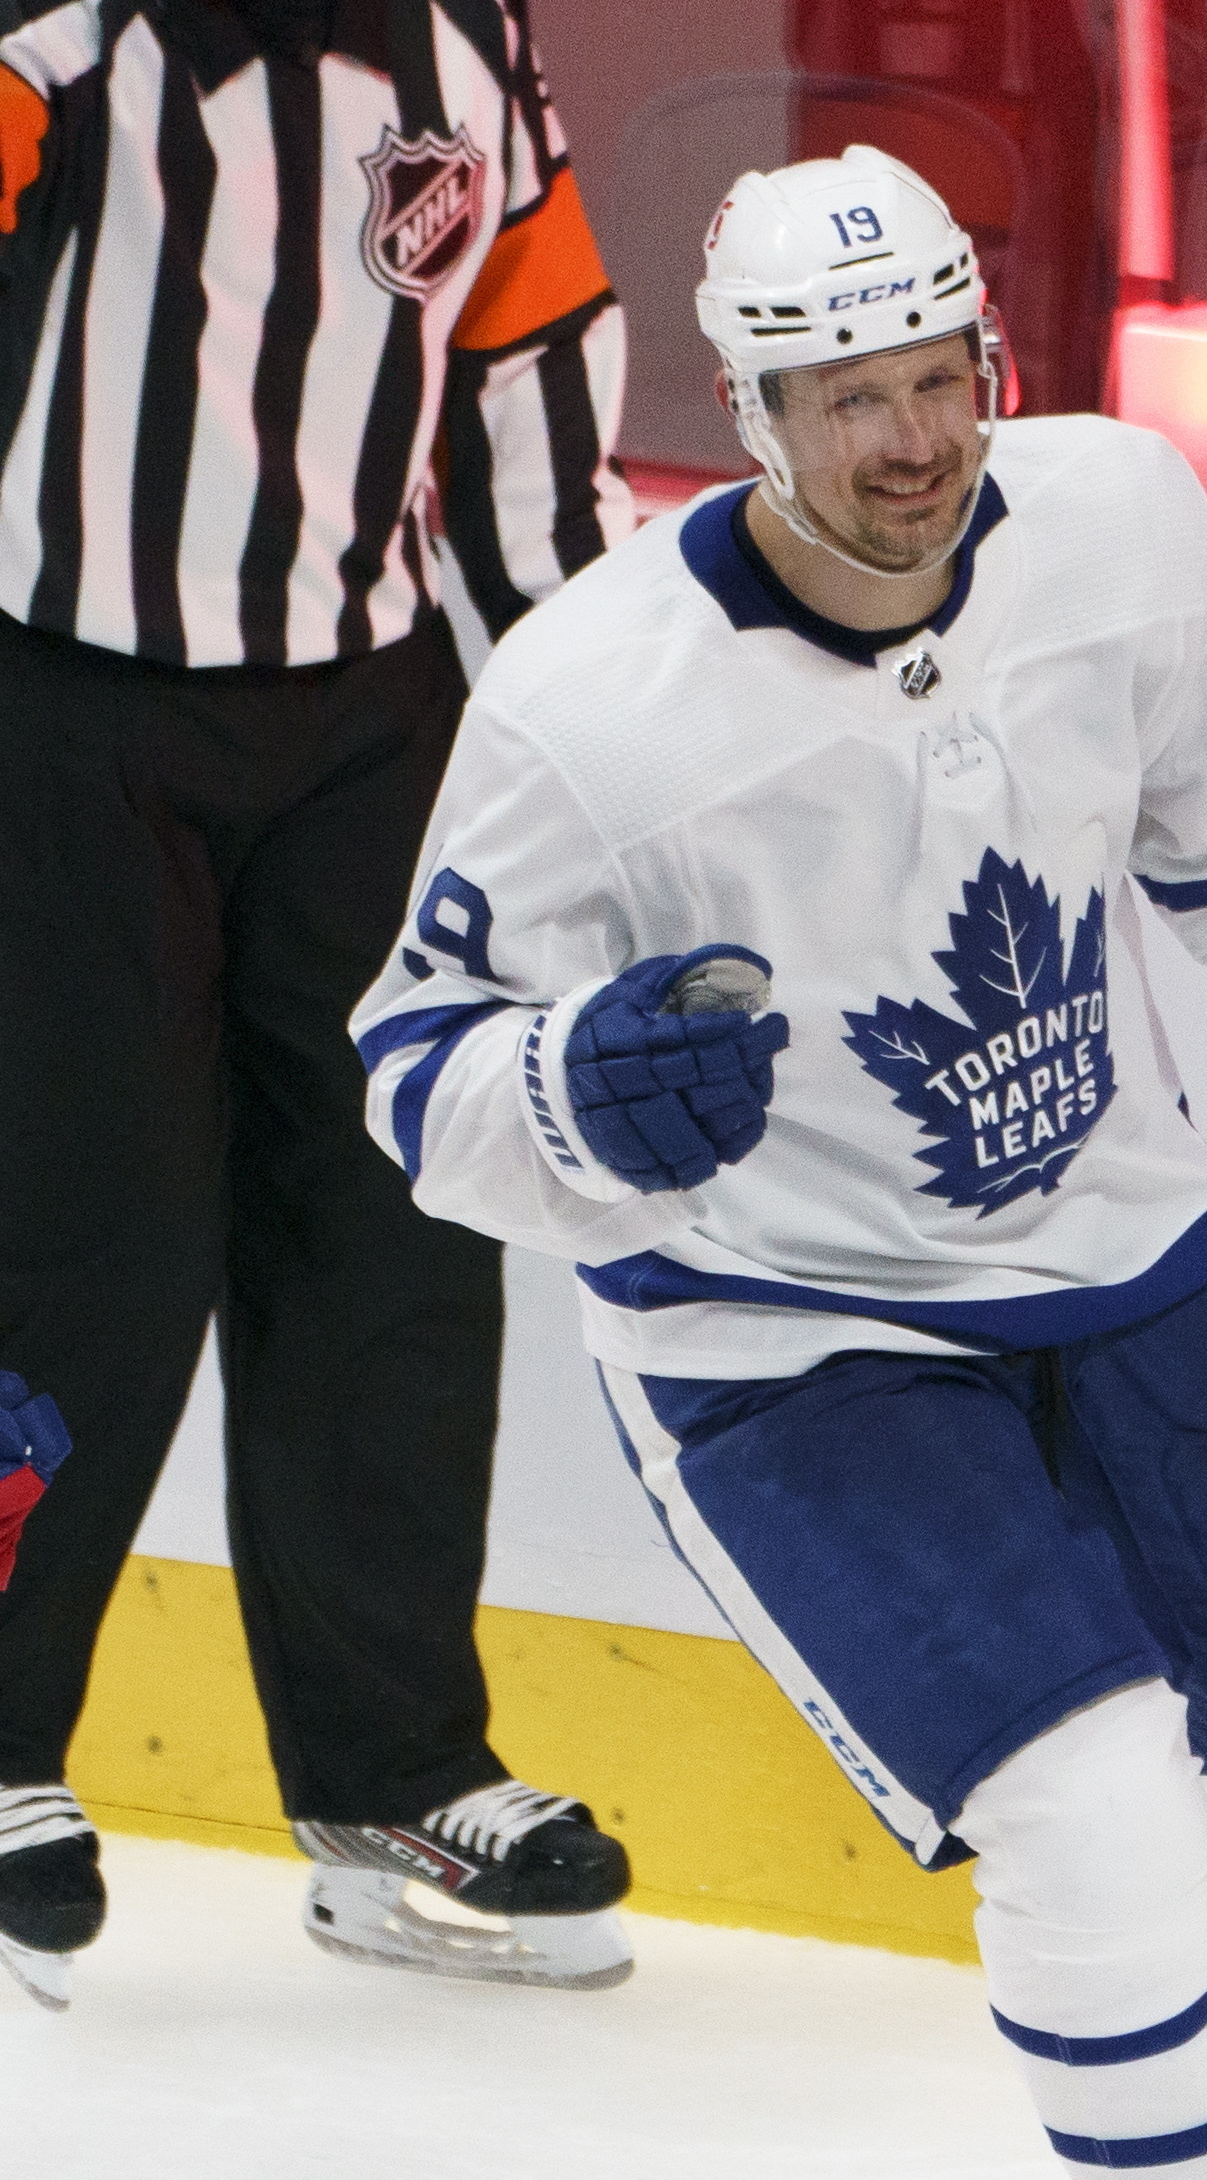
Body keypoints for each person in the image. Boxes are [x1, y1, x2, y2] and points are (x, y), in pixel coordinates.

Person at [348, 144, 1207, 2180]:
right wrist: (569, 1093)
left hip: (1146, 1273)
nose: (914, 436)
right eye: (851, 395)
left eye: (942, 372)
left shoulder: (1116, 526)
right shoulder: (589, 709)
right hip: (799, 1352)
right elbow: (416, 1075)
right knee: (1096, 1813)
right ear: (754, 415)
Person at [0, 0, 636, 2005]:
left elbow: (529, 373)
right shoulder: (54, 31)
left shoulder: (467, 34)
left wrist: (600, 740)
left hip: (364, 706)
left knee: (403, 1228)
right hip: (58, 691)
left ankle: (389, 1772)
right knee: (89, 1250)